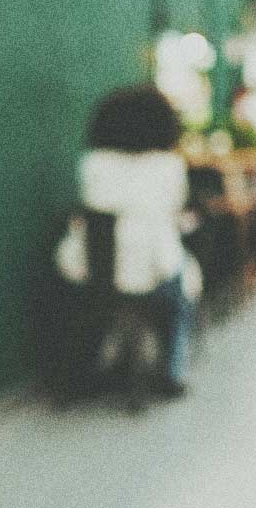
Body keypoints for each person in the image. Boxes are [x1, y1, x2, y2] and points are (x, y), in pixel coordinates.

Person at [54, 85, 199, 398]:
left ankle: (105, 353)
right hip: (152, 275)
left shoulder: (93, 164)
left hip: (95, 276)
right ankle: (172, 371)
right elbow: (175, 213)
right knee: (182, 296)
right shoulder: (168, 167)